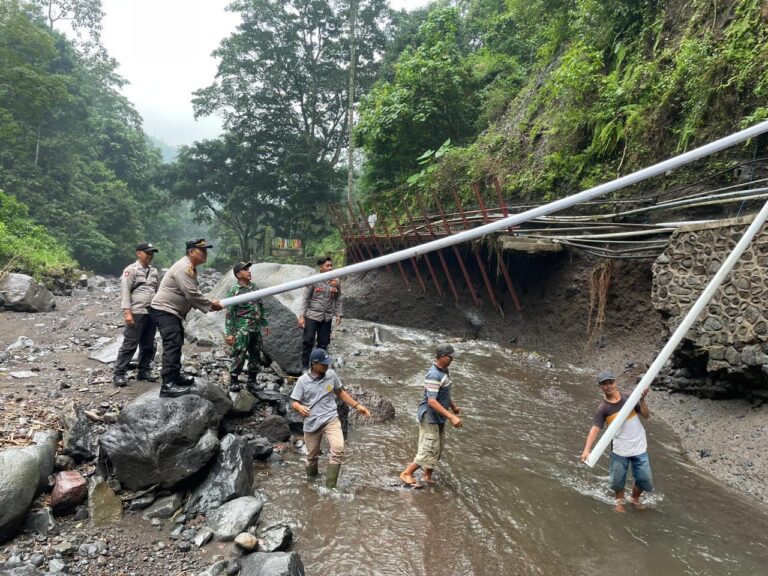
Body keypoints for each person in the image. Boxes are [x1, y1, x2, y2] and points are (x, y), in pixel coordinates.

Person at [149, 239, 223, 398]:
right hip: (165, 310)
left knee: (176, 342)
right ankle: (168, 384)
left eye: (206, 251)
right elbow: (191, 294)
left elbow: (189, 295)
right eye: (202, 251)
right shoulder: (184, 267)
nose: (205, 254)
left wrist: (207, 304)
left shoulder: (190, 268)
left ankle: (175, 376)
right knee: (172, 344)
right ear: (191, 252)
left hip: (171, 312)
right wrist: (210, 305)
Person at [290, 348, 370, 488]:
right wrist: (299, 408)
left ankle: (330, 488)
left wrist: (357, 406)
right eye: (324, 363)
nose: (327, 365)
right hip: (312, 422)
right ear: (314, 364)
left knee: (338, 449)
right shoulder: (302, 381)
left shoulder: (331, 375)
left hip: (331, 418)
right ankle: (311, 483)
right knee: (312, 456)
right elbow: (294, 402)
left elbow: (340, 392)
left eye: (328, 362)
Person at [580, 370, 653, 512]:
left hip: (639, 446)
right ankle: (619, 502)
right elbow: (595, 429)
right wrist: (587, 450)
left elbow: (646, 415)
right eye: (604, 384)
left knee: (644, 479)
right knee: (617, 480)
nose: (608, 386)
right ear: (600, 387)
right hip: (620, 450)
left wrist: (642, 400)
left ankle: (635, 498)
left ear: (615, 382)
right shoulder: (603, 408)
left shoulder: (628, 397)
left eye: (610, 382)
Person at [400, 343, 462, 488]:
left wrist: (453, 407)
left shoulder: (445, 371)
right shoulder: (434, 374)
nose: (453, 360)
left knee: (438, 447)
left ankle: (427, 475)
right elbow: (432, 401)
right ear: (442, 357)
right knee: (428, 447)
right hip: (430, 416)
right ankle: (406, 473)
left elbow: (445, 392)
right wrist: (451, 417)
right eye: (450, 357)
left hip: (439, 415)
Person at [113, 242, 160, 387]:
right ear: (138, 253)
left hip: (151, 312)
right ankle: (119, 374)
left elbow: (157, 291)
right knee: (130, 344)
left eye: (151, 253)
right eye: (147, 253)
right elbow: (125, 292)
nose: (150, 256)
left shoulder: (154, 271)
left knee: (148, 344)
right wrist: (127, 313)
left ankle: (143, 371)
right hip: (136, 312)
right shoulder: (130, 270)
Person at [224, 261, 270, 393]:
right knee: (239, 354)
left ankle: (252, 381)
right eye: (245, 270)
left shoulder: (254, 287)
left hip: (255, 328)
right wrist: (229, 333)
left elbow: (260, 306)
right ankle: (234, 380)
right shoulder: (235, 291)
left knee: (256, 354)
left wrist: (264, 323)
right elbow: (229, 313)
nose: (249, 271)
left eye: (249, 269)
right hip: (242, 329)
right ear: (238, 274)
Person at [298, 256, 342, 370]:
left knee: (323, 343)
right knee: (308, 341)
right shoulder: (313, 280)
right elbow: (306, 299)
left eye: (331, 265)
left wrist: (338, 314)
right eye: (327, 266)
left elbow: (338, 298)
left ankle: (317, 368)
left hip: (327, 317)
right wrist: (301, 316)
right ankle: (304, 367)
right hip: (312, 315)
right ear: (320, 267)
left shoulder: (336, 282)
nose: (330, 268)